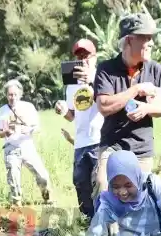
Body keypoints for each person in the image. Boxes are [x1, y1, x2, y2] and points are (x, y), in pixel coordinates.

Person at [93, 12, 161, 199]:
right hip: (113, 145)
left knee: (139, 197)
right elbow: (104, 106)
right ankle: (105, 227)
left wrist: (146, 108)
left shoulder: (155, 69)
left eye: (151, 37)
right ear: (129, 40)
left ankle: (132, 229)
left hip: (142, 148)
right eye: (145, 37)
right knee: (103, 185)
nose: (151, 42)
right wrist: (136, 89)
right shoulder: (107, 69)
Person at [55, 38, 105, 219]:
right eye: (79, 56)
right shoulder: (71, 85)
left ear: (95, 57)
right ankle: (88, 221)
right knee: (80, 183)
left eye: (87, 56)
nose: (83, 60)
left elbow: (109, 101)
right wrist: (62, 111)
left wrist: (91, 80)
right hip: (80, 142)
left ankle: (104, 223)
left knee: (99, 183)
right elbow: (72, 116)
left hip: (99, 139)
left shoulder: (102, 76)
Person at [0, 79, 53, 207]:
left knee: (42, 175)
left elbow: (37, 127)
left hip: (27, 146)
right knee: (14, 180)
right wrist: (5, 132)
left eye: (15, 94)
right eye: (10, 94)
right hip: (11, 148)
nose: (13, 97)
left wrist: (29, 129)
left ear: (20, 94)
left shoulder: (28, 107)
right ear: (6, 95)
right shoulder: (2, 111)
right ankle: (17, 204)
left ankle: (47, 197)